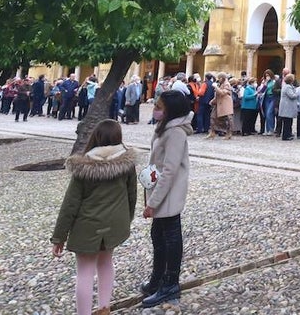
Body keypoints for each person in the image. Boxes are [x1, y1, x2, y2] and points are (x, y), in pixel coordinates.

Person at [50, 119, 137, 315]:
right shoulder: (127, 163)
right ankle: (104, 308)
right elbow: (132, 196)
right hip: (115, 224)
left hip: (87, 226)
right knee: (106, 262)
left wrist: (59, 237)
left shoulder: (83, 167)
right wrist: (125, 221)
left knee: (85, 271)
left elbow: (70, 205)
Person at [141, 90, 193, 307]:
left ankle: (170, 283)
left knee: (170, 237)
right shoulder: (165, 128)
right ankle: (158, 278)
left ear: (170, 110)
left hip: (167, 195)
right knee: (158, 236)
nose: (155, 110)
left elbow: (170, 170)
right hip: (159, 191)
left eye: (159, 107)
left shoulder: (175, 133)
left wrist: (152, 203)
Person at [208, 74, 234, 140]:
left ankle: (229, 134)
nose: (218, 79)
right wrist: (212, 101)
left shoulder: (227, 84)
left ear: (222, 78)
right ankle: (212, 132)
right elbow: (217, 95)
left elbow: (222, 93)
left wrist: (216, 87)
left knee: (228, 119)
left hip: (225, 104)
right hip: (218, 103)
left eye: (219, 78)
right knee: (212, 117)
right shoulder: (220, 84)